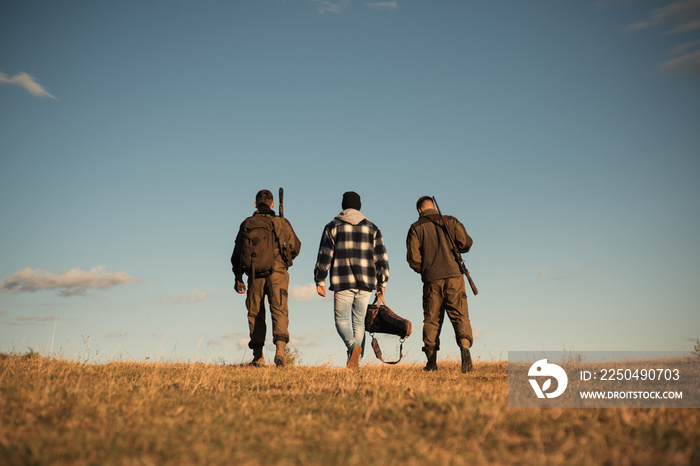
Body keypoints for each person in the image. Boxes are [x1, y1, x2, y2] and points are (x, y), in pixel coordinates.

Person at [314, 191, 389, 369]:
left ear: (343, 206)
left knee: (341, 321)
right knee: (359, 324)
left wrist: (320, 280)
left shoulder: (332, 226)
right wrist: (382, 282)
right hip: (365, 284)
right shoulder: (372, 228)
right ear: (359, 206)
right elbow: (381, 257)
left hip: (342, 281)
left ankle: (352, 346)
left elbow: (325, 255)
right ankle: (358, 365)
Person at [231, 189, 301, 367]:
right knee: (279, 310)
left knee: (255, 313)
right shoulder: (280, 221)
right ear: (272, 205)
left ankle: (258, 357)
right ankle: (280, 351)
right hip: (277, 272)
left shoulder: (247, 223)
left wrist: (238, 278)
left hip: (254, 274)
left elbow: (237, 254)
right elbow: (295, 247)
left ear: (255, 205)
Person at [406, 196, 474, 373]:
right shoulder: (450, 220)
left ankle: (431, 362)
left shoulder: (415, 228)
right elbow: (466, 243)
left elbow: (413, 259)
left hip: (431, 280)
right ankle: (465, 351)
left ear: (420, 210)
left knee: (432, 319)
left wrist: (426, 269)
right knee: (460, 316)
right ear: (433, 207)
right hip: (454, 277)